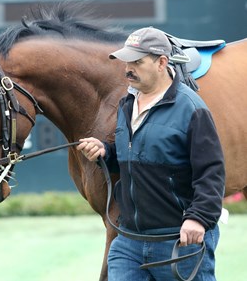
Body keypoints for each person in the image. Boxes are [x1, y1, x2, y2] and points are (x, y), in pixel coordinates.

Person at [77, 27, 225, 280]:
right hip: (128, 243)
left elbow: (211, 172)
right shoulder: (127, 103)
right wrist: (106, 153)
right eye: (126, 61)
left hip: (178, 242)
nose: (128, 69)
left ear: (162, 62)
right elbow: (138, 157)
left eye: (137, 61)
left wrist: (199, 219)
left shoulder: (191, 108)